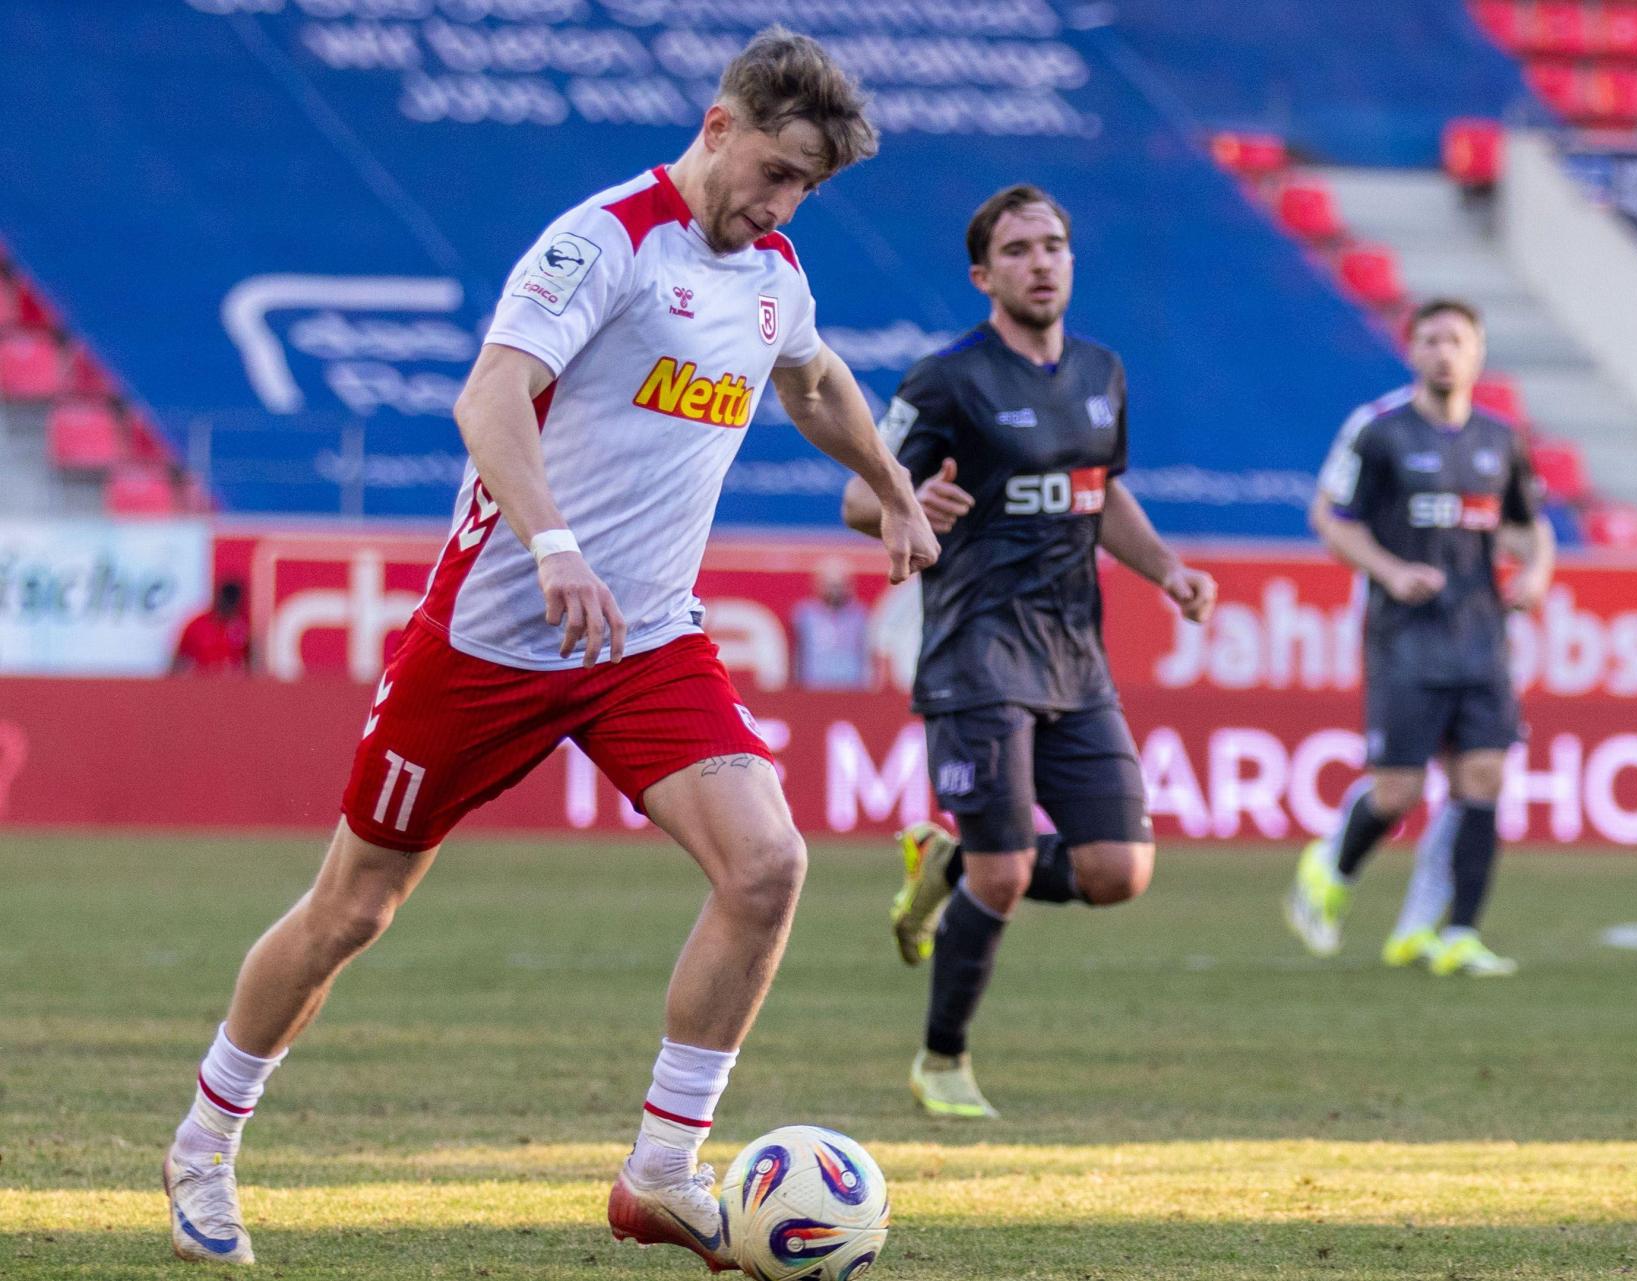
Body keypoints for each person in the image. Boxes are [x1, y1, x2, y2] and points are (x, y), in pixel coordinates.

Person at [162, 28, 938, 1269]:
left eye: (808, 188)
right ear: (720, 124)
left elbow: (816, 380)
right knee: (351, 910)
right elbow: (486, 399)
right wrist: (555, 545)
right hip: (493, 635)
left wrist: (892, 487)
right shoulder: (605, 241)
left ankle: (662, 1174)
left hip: (644, 643)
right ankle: (206, 1138)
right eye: (780, 171)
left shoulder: (773, 272)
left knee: (768, 868)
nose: (785, 203)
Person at [842, 185, 1217, 1118]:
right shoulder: (947, 380)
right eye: (1018, 250)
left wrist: (1166, 570)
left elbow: (1103, 493)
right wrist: (904, 504)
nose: (1041, 261)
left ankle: (946, 859)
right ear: (984, 274)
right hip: (976, 651)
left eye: (1054, 245)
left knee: (1118, 871)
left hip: (1074, 659)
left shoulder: (1102, 372)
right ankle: (942, 1061)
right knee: (1004, 872)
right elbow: (860, 496)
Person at [1286, 298, 1553, 977]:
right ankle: (1331, 865)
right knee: (1398, 791)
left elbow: (1526, 526)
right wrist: (1391, 569)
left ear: (1478, 352)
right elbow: (1331, 516)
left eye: (1456, 340)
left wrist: (1537, 572)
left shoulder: (1501, 439)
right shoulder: (1378, 432)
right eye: (1430, 340)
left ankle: (1454, 932)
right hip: (1404, 636)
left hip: (1482, 635)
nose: (1443, 352)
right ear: (1412, 352)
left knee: (1483, 777)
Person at [790, 555, 870, 689]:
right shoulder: (804, 615)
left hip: (851, 691)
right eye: (830, 584)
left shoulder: (860, 615)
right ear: (818, 584)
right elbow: (796, 656)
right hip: (813, 689)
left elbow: (867, 655)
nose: (835, 591)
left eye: (840, 585)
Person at [172, 579, 251, 674]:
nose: (227, 607)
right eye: (225, 601)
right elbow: (179, 660)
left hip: (233, 684)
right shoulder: (197, 626)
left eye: (232, 603)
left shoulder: (244, 627)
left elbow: (252, 664)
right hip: (200, 683)